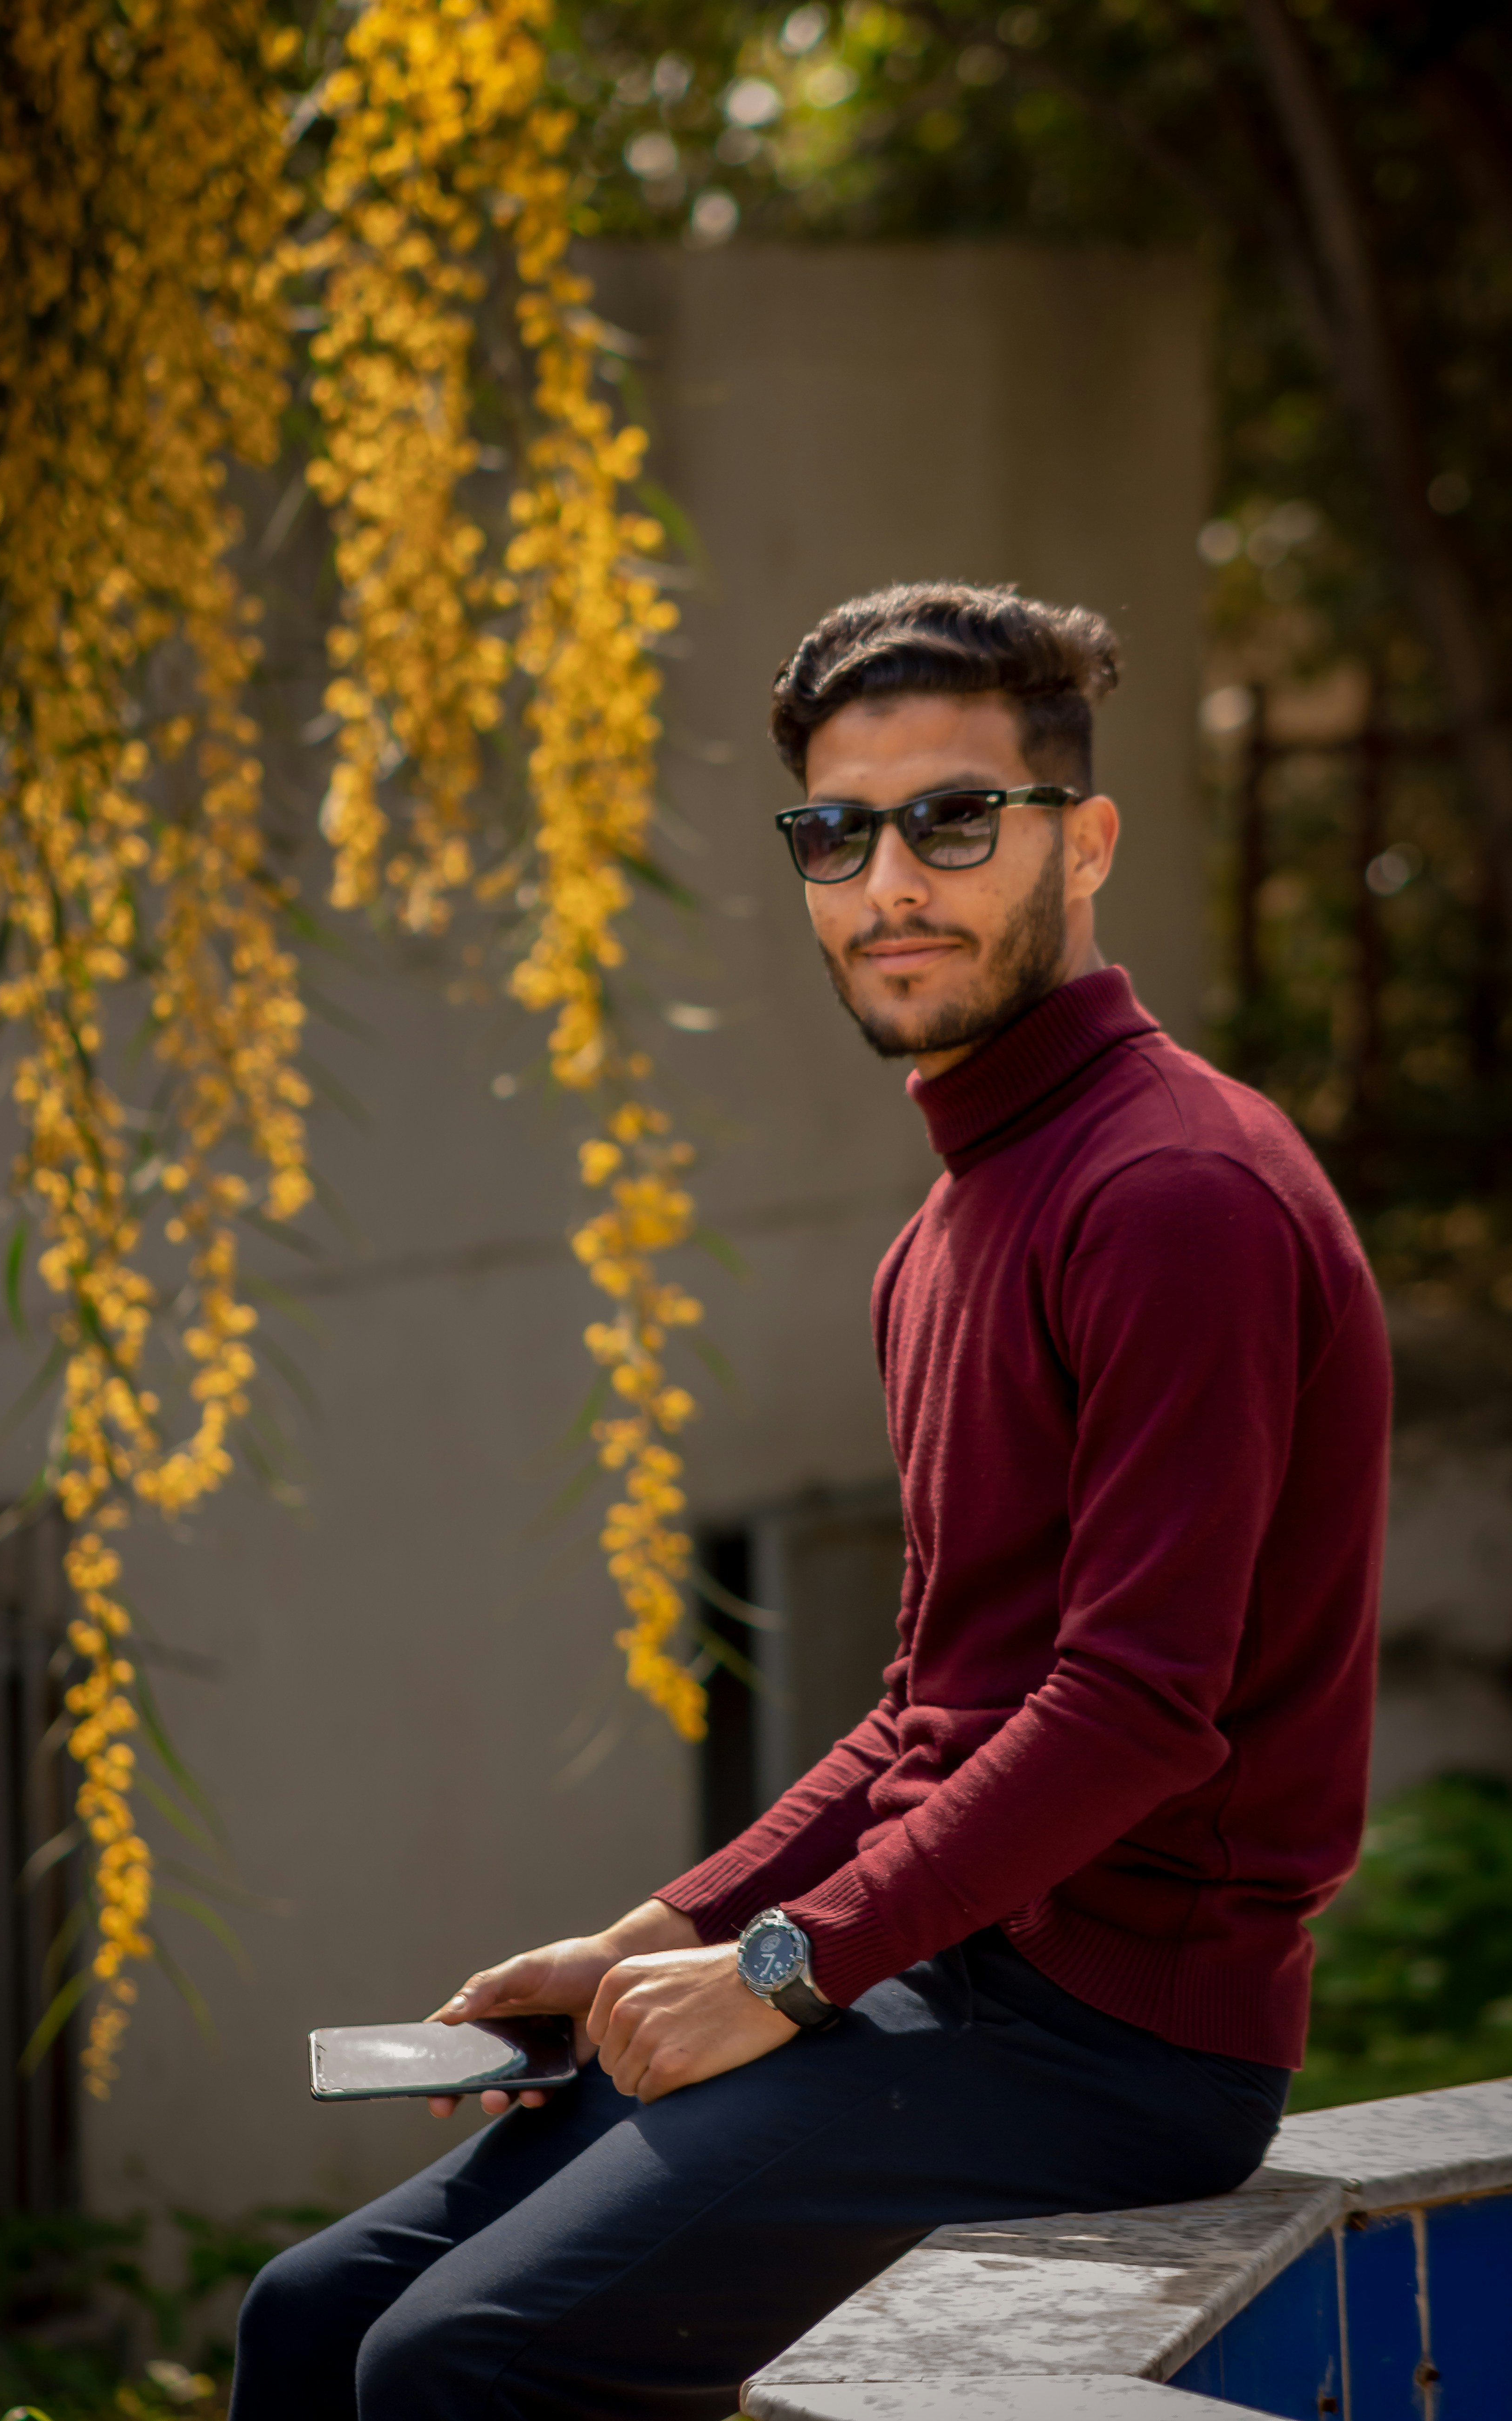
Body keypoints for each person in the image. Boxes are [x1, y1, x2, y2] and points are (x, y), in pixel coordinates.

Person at [231, 583, 1390, 2421]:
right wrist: (656, 1938)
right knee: (309, 2321)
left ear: (1083, 843)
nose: (887, 886)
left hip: (1110, 2044)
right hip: (935, 1978)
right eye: (835, 835)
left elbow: (1137, 1707)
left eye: (953, 820)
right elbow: (935, 1712)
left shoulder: (1175, 1195)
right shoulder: (955, 1217)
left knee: (462, 2369)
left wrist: (786, 1966)